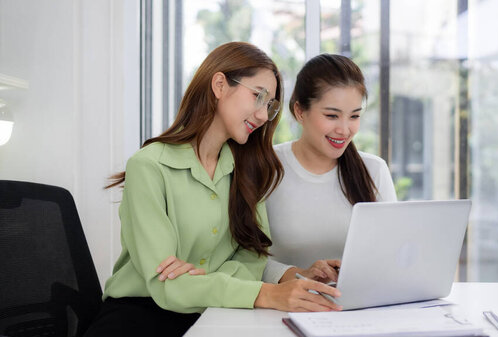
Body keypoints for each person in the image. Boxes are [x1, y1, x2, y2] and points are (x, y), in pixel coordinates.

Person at [84, 42, 340, 337]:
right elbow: (166, 285)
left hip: (215, 311)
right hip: (138, 316)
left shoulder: (247, 171)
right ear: (219, 84)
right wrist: (265, 293)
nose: (261, 115)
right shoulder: (149, 167)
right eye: (258, 96)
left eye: (269, 105)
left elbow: (252, 259)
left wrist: (202, 279)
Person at [157, 53, 395, 310]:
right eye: (332, 115)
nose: (345, 129)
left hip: (356, 310)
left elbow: (390, 254)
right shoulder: (264, 168)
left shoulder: (374, 170)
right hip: (276, 309)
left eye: (355, 116)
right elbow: (243, 253)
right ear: (299, 111)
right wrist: (296, 273)